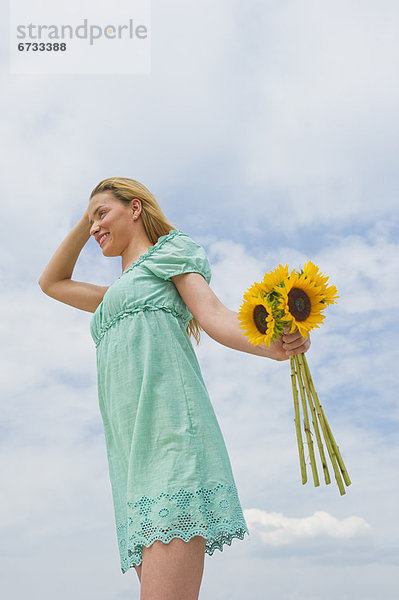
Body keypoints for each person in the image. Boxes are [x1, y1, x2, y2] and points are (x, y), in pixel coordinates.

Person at [38, 177, 310, 600]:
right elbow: (51, 283)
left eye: (103, 214)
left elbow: (214, 314)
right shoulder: (113, 296)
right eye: (91, 220)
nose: (94, 229)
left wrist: (272, 346)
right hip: (131, 457)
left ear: (135, 209)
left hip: (171, 438)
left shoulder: (170, 253)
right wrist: (88, 215)